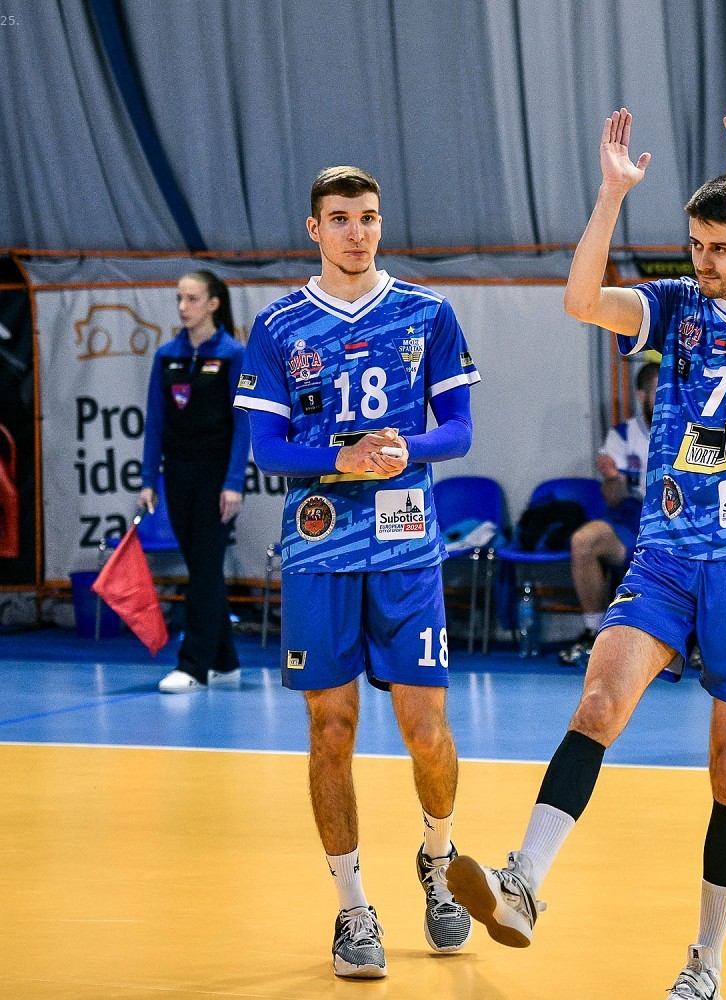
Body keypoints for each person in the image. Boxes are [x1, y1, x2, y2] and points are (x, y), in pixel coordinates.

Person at [447, 100, 726, 1000]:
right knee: (598, 703)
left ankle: (706, 959)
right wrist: (612, 196)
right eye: (696, 244)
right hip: (667, 553)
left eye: (720, 246)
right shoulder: (675, 304)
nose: (705, 261)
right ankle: (523, 883)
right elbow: (581, 300)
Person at [234, 166, 480, 979]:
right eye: (340, 218)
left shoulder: (428, 312)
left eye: (368, 217)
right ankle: (351, 908)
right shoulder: (279, 325)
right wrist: (340, 459)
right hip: (319, 552)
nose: (356, 232)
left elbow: (460, 430)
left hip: (407, 549)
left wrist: (410, 447)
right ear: (315, 229)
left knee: (426, 729)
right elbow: (267, 449)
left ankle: (438, 861)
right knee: (331, 729)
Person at [139, 270, 250, 694]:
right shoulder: (166, 355)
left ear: (213, 303)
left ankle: (193, 666)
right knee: (202, 568)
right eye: (179, 298)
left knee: (204, 569)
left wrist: (234, 482)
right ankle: (225, 661)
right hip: (177, 475)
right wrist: (149, 479)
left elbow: (242, 424)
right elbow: (156, 420)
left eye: (192, 298)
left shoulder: (233, 355)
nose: (183, 307)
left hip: (216, 477)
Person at [559, 360, 658, 667]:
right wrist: (613, 478)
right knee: (583, 541)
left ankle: (699, 642)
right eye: (659, 392)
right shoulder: (623, 435)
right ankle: (594, 631)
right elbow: (613, 500)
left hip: (677, 517)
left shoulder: (688, 430)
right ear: (642, 395)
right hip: (632, 514)